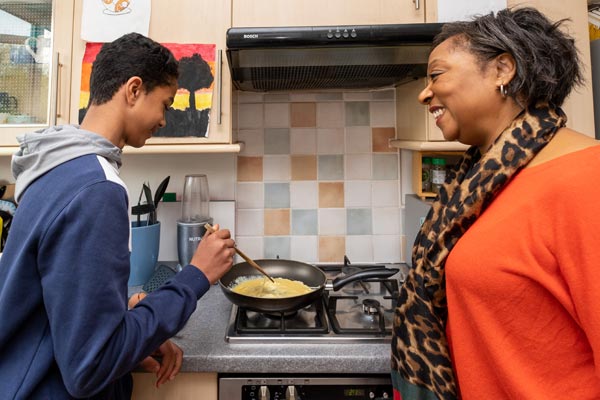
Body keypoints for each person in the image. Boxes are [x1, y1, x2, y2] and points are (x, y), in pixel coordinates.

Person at [0, 32, 236, 399]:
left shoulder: (54, 168)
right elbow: (90, 367)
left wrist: (128, 326)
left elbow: (58, 306)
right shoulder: (97, 189)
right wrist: (196, 276)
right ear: (134, 89)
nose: (164, 120)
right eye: (165, 104)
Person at [391, 7, 600, 400]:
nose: (424, 93)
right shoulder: (478, 184)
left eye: (436, 75)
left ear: (503, 69)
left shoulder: (588, 180)